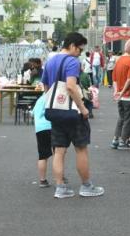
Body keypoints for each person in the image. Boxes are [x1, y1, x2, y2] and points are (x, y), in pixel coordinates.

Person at [41, 32, 104, 199]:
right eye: (79, 49)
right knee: (81, 149)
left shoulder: (50, 61)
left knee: (59, 151)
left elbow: (46, 87)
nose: (79, 53)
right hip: (73, 113)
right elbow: (70, 86)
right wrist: (82, 108)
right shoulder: (71, 62)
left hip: (55, 112)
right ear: (72, 46)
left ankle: (60, 188)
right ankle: (86, 186)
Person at [32, 93, 53, 188]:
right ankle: (60, 177)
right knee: (58, 153)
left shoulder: (40, 99)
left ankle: (42, 180)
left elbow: (32, 113)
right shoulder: (52, 96)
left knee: (43, 156)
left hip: (39, 128)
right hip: (51, 126)